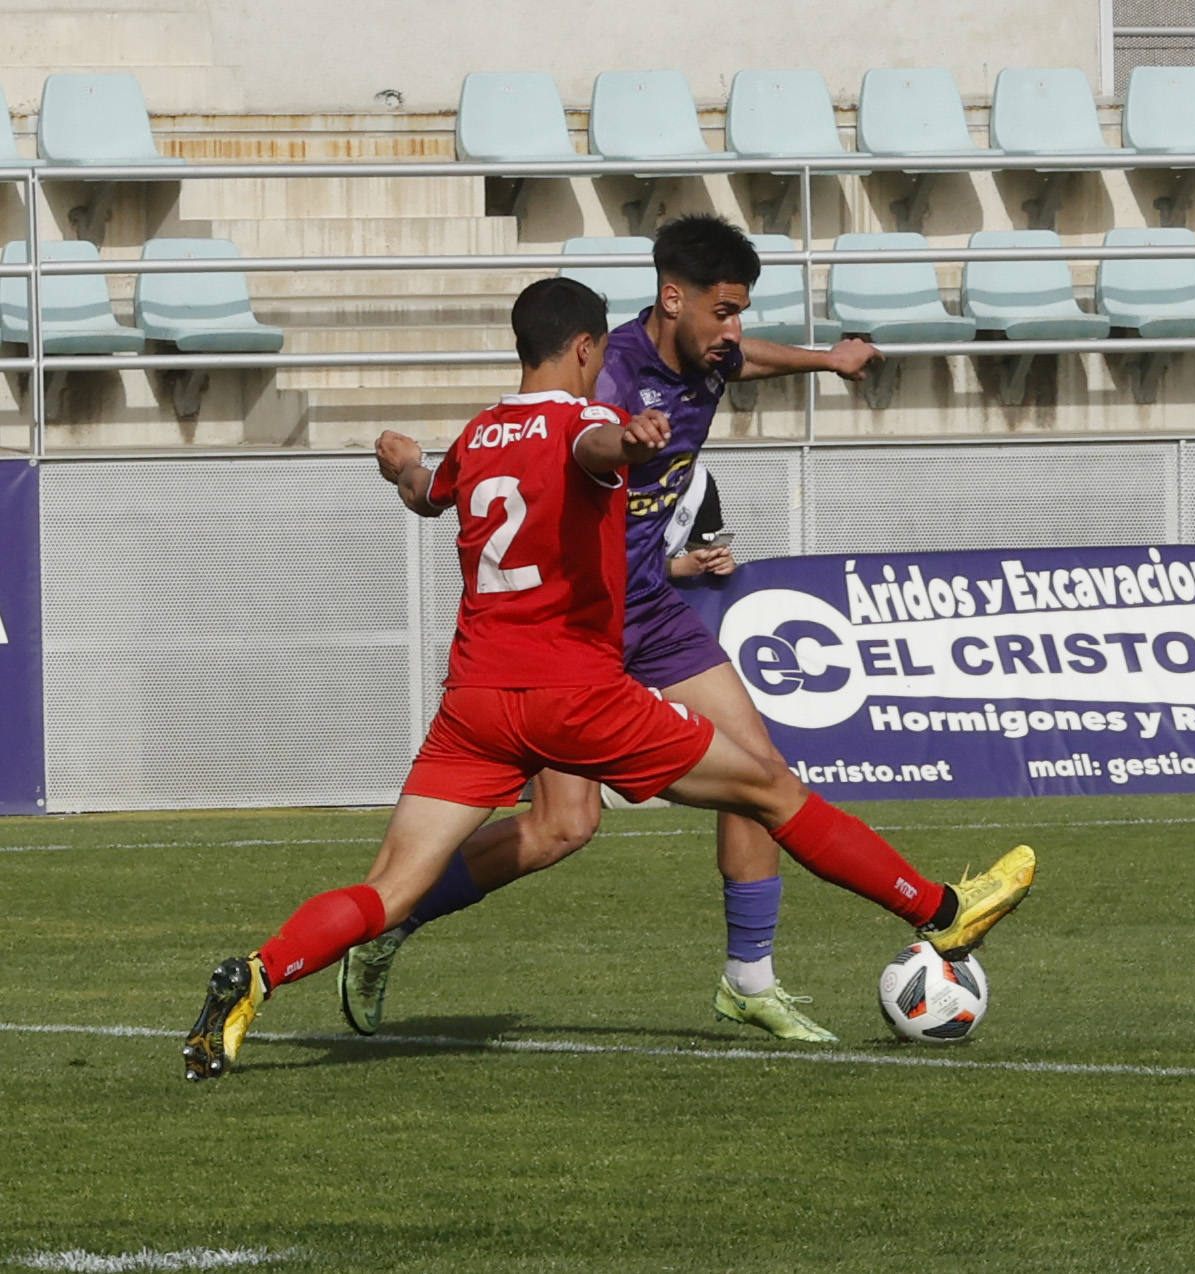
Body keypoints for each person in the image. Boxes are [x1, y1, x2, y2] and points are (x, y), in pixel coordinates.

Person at [182, 277, 1036, 1081]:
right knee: (769, 790)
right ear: (587, 348)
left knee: (388, 888)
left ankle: (257, 974)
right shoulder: (585, 423)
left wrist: (398, 459)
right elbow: (592, 447)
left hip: (474, 705)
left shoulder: (479, 435)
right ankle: (936, 909)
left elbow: (422, 492)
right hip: (576, 698)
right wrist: (623, 439)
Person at [333, 216, 960, 1045]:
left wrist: (826, 362)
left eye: (740, 313)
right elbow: (570, 445)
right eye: (724, 313)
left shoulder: (711, 354)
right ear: (674, 299)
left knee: (763, 774)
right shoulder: (612, 374)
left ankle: (749, 980)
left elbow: (749, 359)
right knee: (564, 827)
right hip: (581, 624)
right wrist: (614, 443)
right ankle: (394, 920)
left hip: (653, 611)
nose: (734, 335)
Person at [664, 460, 736, 581]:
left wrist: (718, 562)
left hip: (660, 586)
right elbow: (625, 561)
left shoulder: (700, 479)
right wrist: (673, 567)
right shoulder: (625, 474)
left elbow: (701, 548)